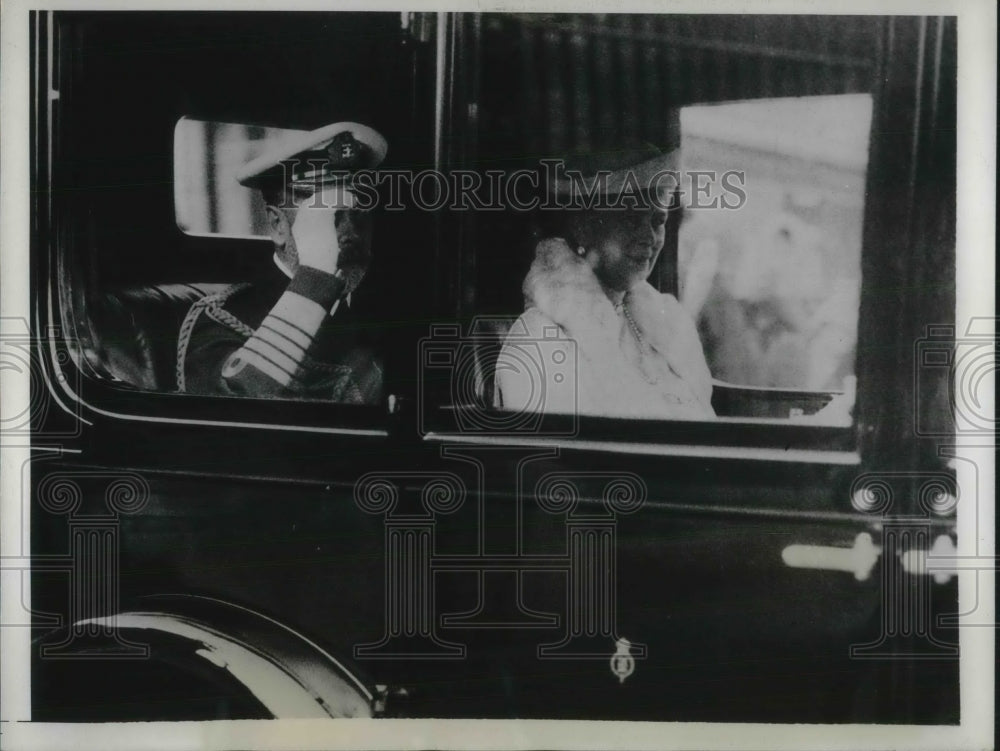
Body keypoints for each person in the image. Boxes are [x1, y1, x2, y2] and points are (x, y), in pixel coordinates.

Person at [494, 145, 715, 419]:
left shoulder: (666, 326)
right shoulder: (539, 338)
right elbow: (565, 457)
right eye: (632, 220)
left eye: (657, 220)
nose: (649, 237)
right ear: (584, 227)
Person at [177, 122, 385, 403]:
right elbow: (233, 414)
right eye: (330, 216)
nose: (350, 234)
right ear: (278, 225)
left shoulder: (383, 313)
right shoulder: (224, 320)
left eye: (358, 214)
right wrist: (316, 274)